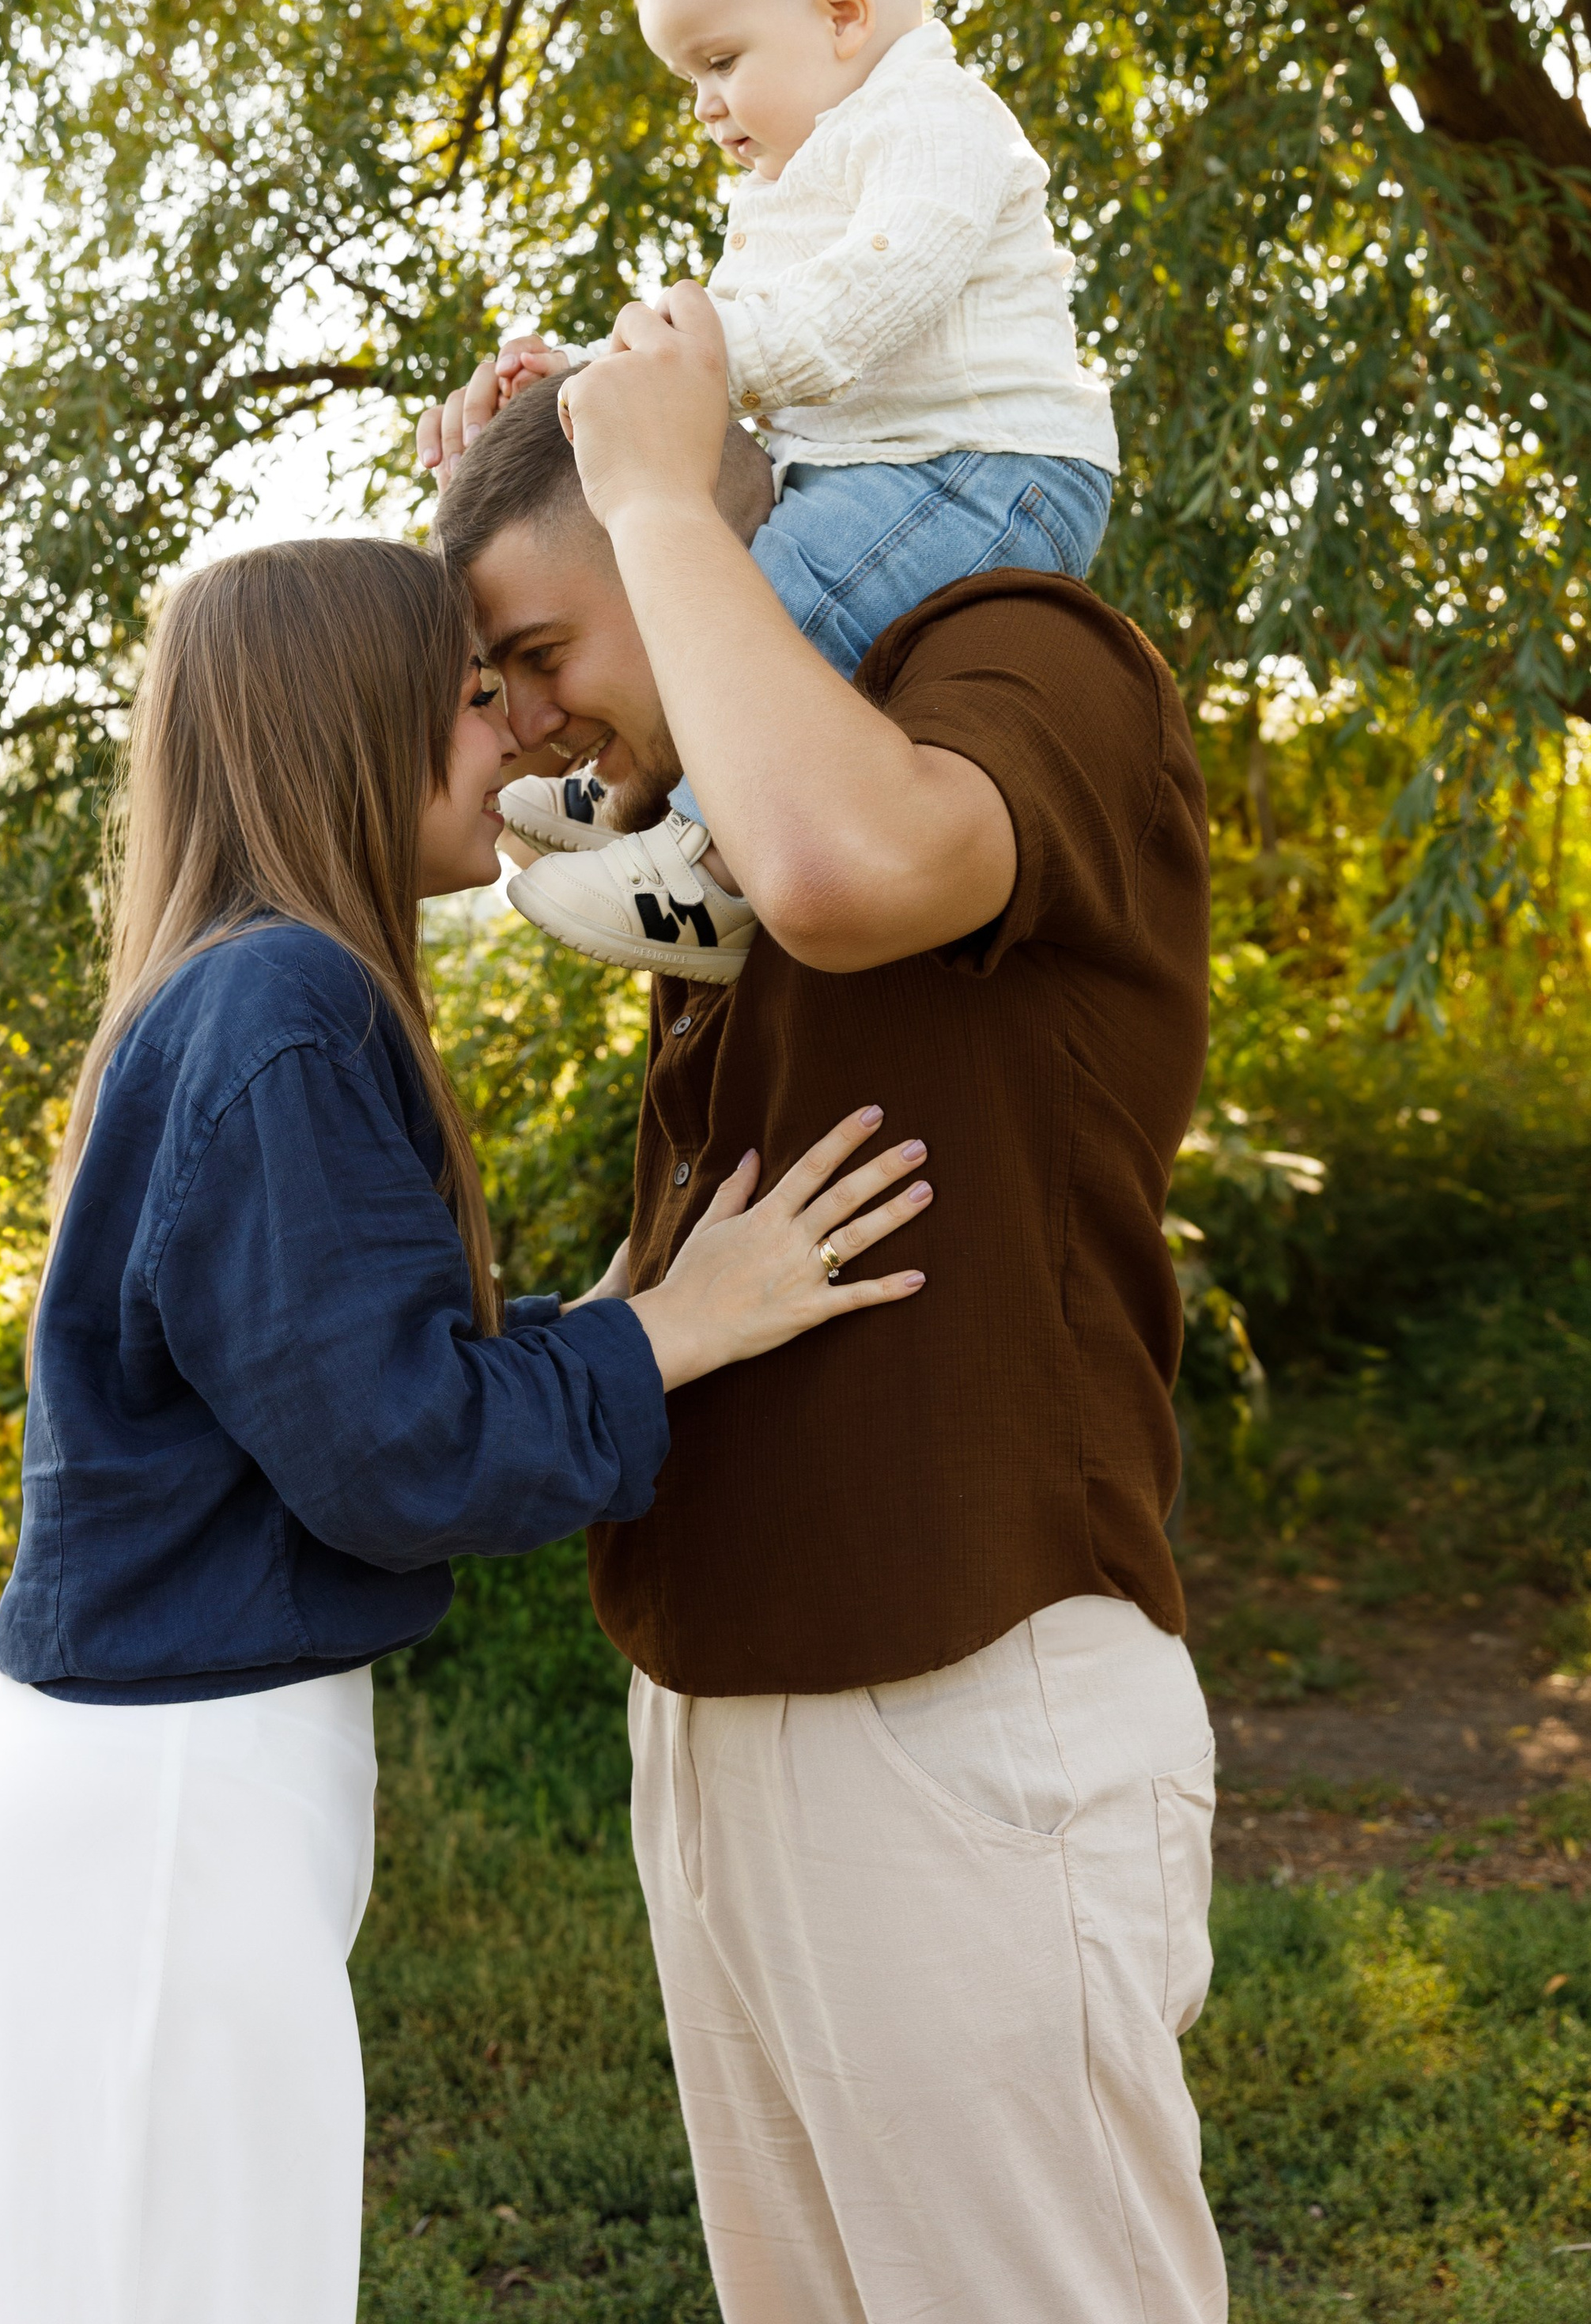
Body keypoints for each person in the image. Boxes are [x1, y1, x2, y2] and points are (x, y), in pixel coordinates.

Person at [0, 535, 934, 2324]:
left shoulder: (238, 986)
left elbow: (330, 1381)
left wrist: (626, 1324)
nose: (513, 748)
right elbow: (397, 1453)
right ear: (348, 729)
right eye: (470, 702)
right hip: (161, 1815)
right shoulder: (282, 1005)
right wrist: (671, 1330)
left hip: (145, 1791)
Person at [427, 307, 1228, 2324]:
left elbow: (847, 864)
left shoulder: (1004, 653)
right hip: (720, 1690)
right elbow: (485, 826)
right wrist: (501, 516)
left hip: (955, 1681)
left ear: (684, 528)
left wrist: (635, 490)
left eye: (537, 660)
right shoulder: (703, 795)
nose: (523, 722)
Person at [474, 0, 1118, 984]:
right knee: (734, 593)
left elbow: (866, 301)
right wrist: (581, 376)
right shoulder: (794, 175)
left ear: (841, 14)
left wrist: (677, 372)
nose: (707, 105)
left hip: (983, 467)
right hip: (894, 468)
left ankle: (708, 878)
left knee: (765, 611)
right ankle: (644, 791)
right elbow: (724, 343)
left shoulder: (933, 124)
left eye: (720, 62)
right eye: (692, 80)